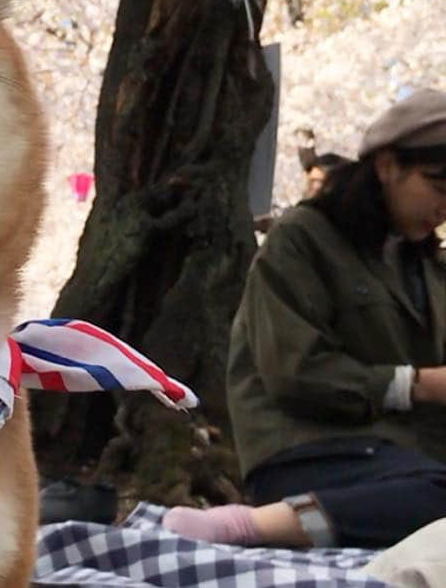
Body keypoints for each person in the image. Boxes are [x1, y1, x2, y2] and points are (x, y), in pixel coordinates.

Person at [164, 88, 446, 551]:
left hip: (406, 459)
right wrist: (418, 384)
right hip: (311, 449)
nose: (444, 208)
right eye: (438, 186)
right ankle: (249, 528)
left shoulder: (428, 268)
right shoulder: (302, 240)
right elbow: (294, 372)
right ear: (387, 166)